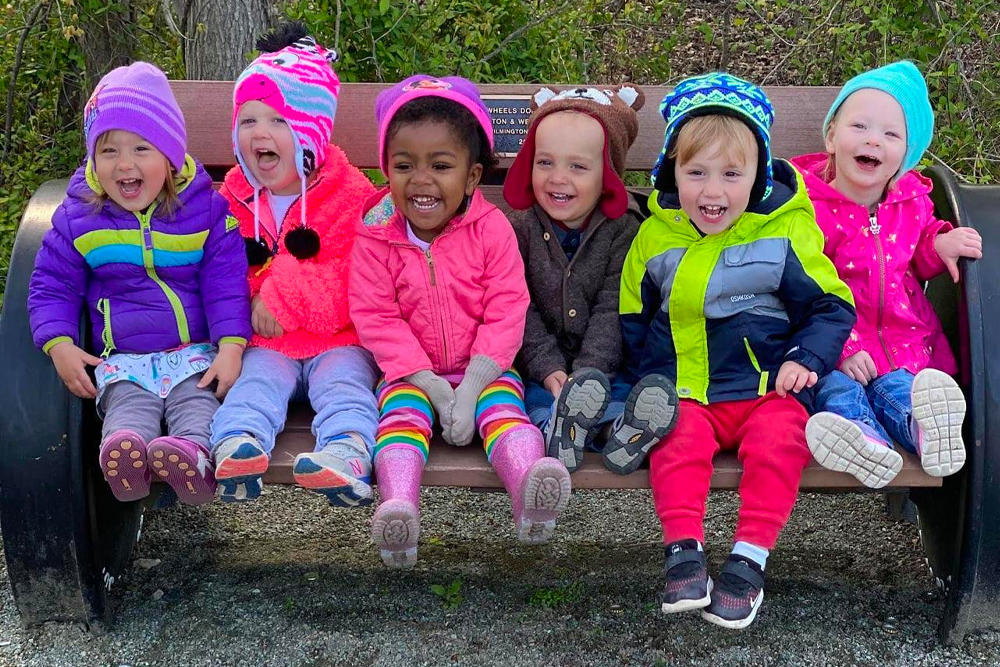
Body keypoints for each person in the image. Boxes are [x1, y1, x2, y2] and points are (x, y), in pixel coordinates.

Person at [621, 73, 856, 628]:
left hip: (763, 388)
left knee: (782, 441)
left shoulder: (782, 233)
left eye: (731, 175)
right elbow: (634, 316)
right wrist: (640, 383)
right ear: (671, 172)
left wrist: (806, 359)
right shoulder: (656, 236)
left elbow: (830, 305)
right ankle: (683, 552)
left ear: (755, 178)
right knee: (675, 442)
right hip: (685, 390)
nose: (712, 191)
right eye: (696, 172)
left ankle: (750, 558)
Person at [349, 75, 572, 568]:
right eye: (404, 166)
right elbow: (377, 317)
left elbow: (507, 307)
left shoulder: (491, 230)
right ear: (387, 169)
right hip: (410, 373)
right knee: (400, 423)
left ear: (472, 177)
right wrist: (428, 382)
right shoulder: (375, 236)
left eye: (441, 166)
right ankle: (399, 507)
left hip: (487, 370)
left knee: (504, 416)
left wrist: (471, 387)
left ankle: (527, 489)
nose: (421, 180)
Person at [28, 62, 251, 505]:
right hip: (126, 356)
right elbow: (52, 285)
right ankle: (125, 459)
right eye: (108, 151)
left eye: (142, 149)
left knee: (197, 402)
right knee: (126, 407)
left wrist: (231, 346)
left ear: (169, 156)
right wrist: (59, 343)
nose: (124, 165)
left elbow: (226, 283)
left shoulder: (204, 211)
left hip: (194, 355)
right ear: (93, 158)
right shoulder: (79, 219)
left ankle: (192, 458)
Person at [209, 23, 380, 505]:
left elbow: (364, 276)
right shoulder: (234, 198)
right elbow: (219, 271)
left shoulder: (351, 196)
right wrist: (254, 300)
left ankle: (345, 453)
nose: (260, 133)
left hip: (339, 340)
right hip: (269, 343)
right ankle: (238, 446)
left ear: (309, 132)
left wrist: (281, 291)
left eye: (279, 121)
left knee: (345, 384)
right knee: (256, 382)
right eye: (248, 121)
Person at [792, 61, 981, 488]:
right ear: (832, 137)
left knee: (901, 392)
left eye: (891, 134)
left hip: (902, 344)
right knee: (837, 392)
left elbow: (918, 253)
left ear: (905, 154)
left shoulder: (912, 203)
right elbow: (801, 282)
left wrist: (940, 244)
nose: (873, 139)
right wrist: (843, 346)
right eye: (859, 126)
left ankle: (926, 432)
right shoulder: (805, 207)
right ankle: (862, 441)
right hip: (834, 344)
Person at [503, 85, 679, 476]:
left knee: (614, 393)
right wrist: (549, 368)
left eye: (578, 167)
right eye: (544, 163)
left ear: (608, 175)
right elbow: (516, 304)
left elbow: (612, 311)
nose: (557, 178)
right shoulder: (519, 229)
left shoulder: (624, 231)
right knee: (530, 399)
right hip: (540, 367)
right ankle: (560, 426)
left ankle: (622, 432)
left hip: (607, 365)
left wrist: (585, 374)